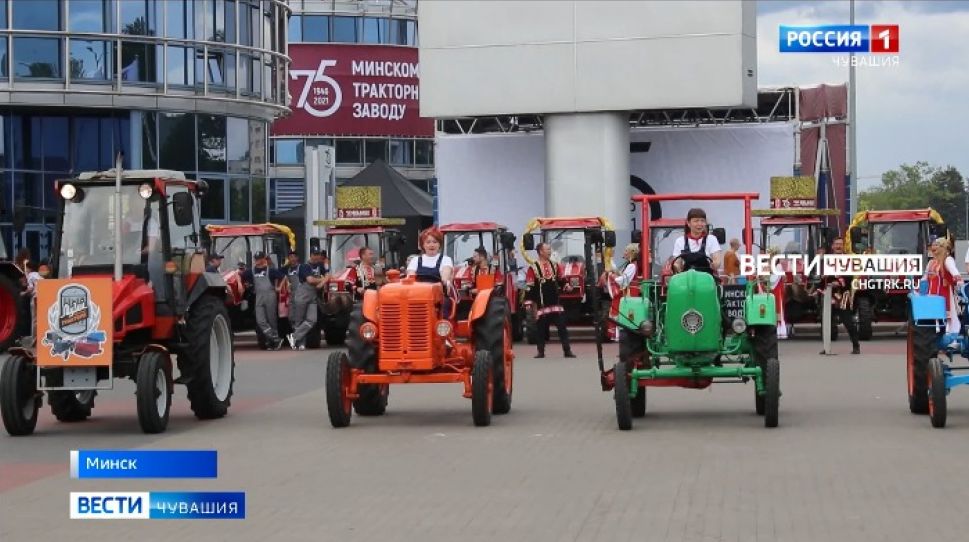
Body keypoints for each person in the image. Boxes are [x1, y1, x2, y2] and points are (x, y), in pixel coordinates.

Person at [526, 242, 576, 359]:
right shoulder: (533, 268)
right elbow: (530, 288)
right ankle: (541, 352)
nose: (550, 251)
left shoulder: (555, 265)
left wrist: (567, 286)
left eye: (550, 249)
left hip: (555, 304)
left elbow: (561, 280)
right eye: (547, 249)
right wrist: (531, 305)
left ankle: (567, 351)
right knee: (541, 330)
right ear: (541, 252)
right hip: (542, 305)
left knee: (562, 328)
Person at [816, 237, 860, 355]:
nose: (838, 246)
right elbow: (822, 277)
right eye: (836, 244)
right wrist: (819, 287)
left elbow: (850, 276)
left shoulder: (848, 259)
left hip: (843, 295)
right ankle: (826, 347)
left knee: (848, 322)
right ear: (832, 246)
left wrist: (839, 282)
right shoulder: (826, 259)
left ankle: (856, 346)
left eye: (840, 244)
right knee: (826, 323)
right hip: (828, 295)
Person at [242, 252, 286, 350]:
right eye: (255, 259)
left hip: (270, 295)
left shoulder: (271, 270)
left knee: (272, 320)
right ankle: (275, 338)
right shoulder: (251, 271)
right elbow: (241, 276)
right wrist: (244, 285)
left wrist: (278, 287)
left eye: (259, 259)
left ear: (263, 259)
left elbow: (283, 277)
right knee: (260, 320)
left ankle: (271, 342)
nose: (257, 261)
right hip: (258, 296)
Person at [406, 227, 455, 315]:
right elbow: (410, 277)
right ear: (423, 245)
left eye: (435, 242)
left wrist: (444, 280)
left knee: (445, 304)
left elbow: (446, 274)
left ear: (439, 244)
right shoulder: (415, 260)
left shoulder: (446, 259)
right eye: (428, 242)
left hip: (438, 296)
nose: (431, 245)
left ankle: (442, 326)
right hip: (418, 295)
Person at [287, 249, 327, 350]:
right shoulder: (304, 266)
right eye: (315, 254)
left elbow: (328, 275)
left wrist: (323, 281)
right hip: (302, 295)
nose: (317, 257)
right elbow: (310, 280)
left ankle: (294, 336)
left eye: (319, 255)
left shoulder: (320, 265)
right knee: (299, 321)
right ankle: (300, 343)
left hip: (313, 296)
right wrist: (323, 280)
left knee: (312, 320)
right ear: (311, 255)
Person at [924, 237, 964, 334]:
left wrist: (958, 281)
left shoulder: (947, 260)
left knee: (948, 319)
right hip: (931, 295)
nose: (933, 247)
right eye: (933, 245)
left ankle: (951, 339)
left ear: (942, 247)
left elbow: (955, 273)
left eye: (936, 245)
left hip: (945, 295)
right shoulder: (931, 262)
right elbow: (925, 278)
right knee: (933, 319)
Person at [603, 243, 640, 341]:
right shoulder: (631, 265)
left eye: (626, 251)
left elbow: (624, 280)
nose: (624, 253)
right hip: (629, 292)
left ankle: (620, 335)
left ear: (631, 253)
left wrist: (613, 276)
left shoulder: (632, 265)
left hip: (629, 293)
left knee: (623, 312)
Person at [671, 208, 722, 274]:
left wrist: (715, 264)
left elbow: (717, 260)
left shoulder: (711, 239)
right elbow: (677, 263)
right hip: (686, 278)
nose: (700, 224)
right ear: (688, 223)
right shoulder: (680, 241)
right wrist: (675, 267)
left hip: (707, 278)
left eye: (702, 221)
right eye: (696, 221)